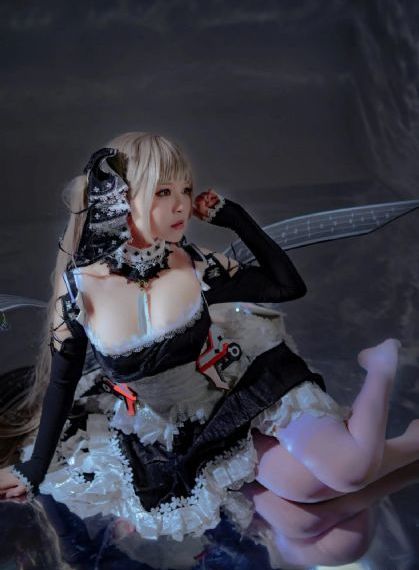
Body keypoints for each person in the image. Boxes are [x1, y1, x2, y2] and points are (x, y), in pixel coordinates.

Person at [0, 132, 418, 555]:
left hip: (239, 387)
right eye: (164, 192)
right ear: (121, 199)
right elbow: (62, 382)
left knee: (348, 473)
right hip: (182, 433)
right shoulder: (80, 289)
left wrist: (237, 219)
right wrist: (33, 470)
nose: (182, 205)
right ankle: (402, 448)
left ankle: (381, 366)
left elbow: (286, 286)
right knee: (316, 524)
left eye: (186, 189)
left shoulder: (193, 262)